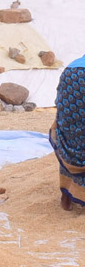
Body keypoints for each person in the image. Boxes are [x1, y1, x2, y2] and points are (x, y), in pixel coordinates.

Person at [52, 52, 85, 212]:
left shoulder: (72, 65)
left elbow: (59, 102)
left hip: (71, 75)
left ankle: (66, 198)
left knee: (70, 134)